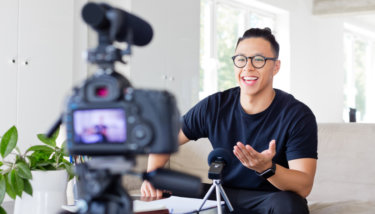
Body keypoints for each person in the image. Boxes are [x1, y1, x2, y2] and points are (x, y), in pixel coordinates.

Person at [141, 28, 317, 214]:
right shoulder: (214, 105)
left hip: (269, 200)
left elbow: (303, 186)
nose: (247, 68)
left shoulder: (297, 115)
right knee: (166, 190)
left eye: (258, 60)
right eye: (241, 59)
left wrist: (267, 168)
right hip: (222, 194)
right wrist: (153, 175)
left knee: (290, 204)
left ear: (276, 66)